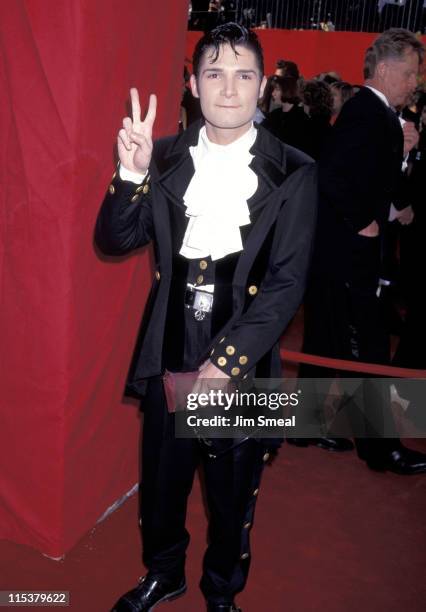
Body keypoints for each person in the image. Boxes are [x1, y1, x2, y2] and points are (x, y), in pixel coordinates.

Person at [95, 23, 317, 612]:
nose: (228, 89)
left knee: (232, 493)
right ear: (193, 84)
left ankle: (221, 592)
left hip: (242, 358)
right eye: (213, 74)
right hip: (169, 347)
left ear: (263, 85)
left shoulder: (296, 170)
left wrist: (228, 360)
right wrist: (132, 174)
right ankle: (165, 574)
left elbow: (287, 283)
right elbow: (114, 240)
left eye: (243, 75)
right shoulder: (163, 156)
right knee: (163, 487)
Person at [300, 28, 426, 474]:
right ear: (388, 70)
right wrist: (364, 222)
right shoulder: (366, 114)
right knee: (366, 348)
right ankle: (380, 449)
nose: (415, 81)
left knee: (327, 338)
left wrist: (401, 164)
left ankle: (303, 424)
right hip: (350, 255)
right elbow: (331, 176)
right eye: (411, 72)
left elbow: (367, 177)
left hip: (342, 256)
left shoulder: (374, 114)